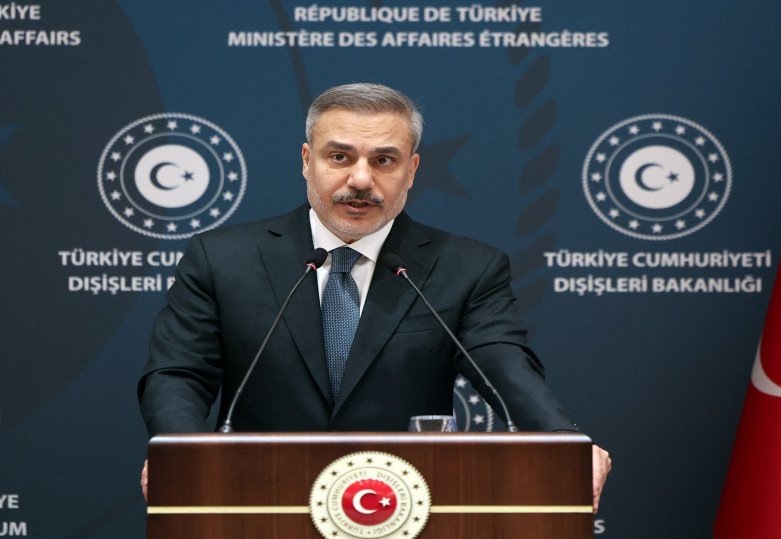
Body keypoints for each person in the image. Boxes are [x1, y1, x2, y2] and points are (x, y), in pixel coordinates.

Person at [138, 83, 610, 510]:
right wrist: (181, 453)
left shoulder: (467, 268)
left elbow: (504, 368)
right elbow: (180, 373)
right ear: (307, 160)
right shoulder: (222, 259)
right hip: (256, 499)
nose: (361, 180)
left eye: (384, 160)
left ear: (412, 170)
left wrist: (563, 441)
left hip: (405, 509)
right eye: (339, 157)